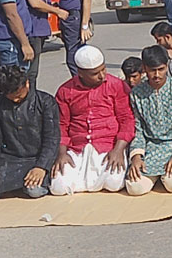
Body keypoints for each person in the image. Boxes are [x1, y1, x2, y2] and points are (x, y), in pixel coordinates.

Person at [51, 46, 134, 195]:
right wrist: (62, 153)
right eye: (95, 73)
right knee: (59, 187)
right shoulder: (66, 91)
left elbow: (126, 120)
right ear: (80, 73)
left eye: (103, 69)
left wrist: (118, 150)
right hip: (77, 148)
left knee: (113, 183)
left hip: (108, 146)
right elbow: (61, 125)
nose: (102, 76)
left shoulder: (117, 85)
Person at [126, 46, 172, 195]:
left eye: (161, 69)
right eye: (152, 70)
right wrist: (136, 156)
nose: (157, 75)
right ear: (145, 69)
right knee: (135, 188)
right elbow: (138, 129)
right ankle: (157, 176)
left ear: (167, 66)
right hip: (151, 148)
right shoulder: (137, 94)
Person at [0, 66, 59, 200]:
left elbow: (52, 138)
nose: (16, 100)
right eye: (11, 98)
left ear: (26, 83)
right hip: (10, 159)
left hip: (36, 157)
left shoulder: (45, 102)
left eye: (19, 96)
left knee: (35, 191)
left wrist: (41, 166)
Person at [14, 0, 67, 89]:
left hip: (26, 27)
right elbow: (35, 2)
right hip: (32, 27)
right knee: (30, 73)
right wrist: (57, 11)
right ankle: (29, 103)